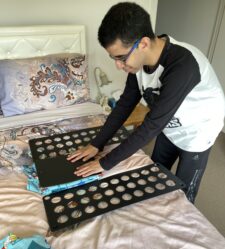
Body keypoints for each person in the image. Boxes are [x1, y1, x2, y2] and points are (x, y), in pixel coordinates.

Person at [68, 2, 225, 203]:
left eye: (120, 57)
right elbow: (125, 104)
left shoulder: (182, 65)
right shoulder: (139, 62)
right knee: (155, 172)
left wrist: (106, 163)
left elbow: (152, 125)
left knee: (184, 192)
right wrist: (96, 144)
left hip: (198, 129)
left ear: (142, 44)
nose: (118, 65)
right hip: (170, 123)